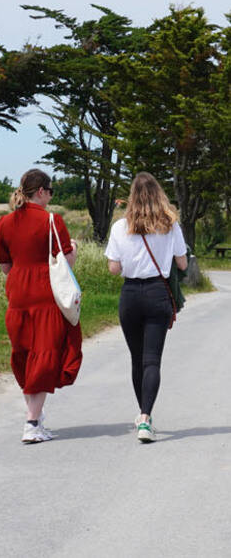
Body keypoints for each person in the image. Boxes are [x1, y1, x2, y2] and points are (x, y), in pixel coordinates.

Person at [0, 168, 83, 444]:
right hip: (46, 297)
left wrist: (23, 276)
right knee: (44, 356)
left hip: (18, 297)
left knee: (25, 355)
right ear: (42, 192)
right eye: (51, 191)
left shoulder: (4, 223)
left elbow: (4, 264)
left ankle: (36, 417)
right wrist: (75, 252)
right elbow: (66, 263)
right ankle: (32, 422)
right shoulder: (52, 221)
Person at [104, 172, 187, 443]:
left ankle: (143, 418)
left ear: (132, 196)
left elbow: (114, 269)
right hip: (157, 292)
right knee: (152, 359)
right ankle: (145, 417)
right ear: (159, 194)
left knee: (137, 358)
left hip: (130, 294)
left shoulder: (120, 227)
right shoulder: (170, 225)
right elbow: (183, 264)